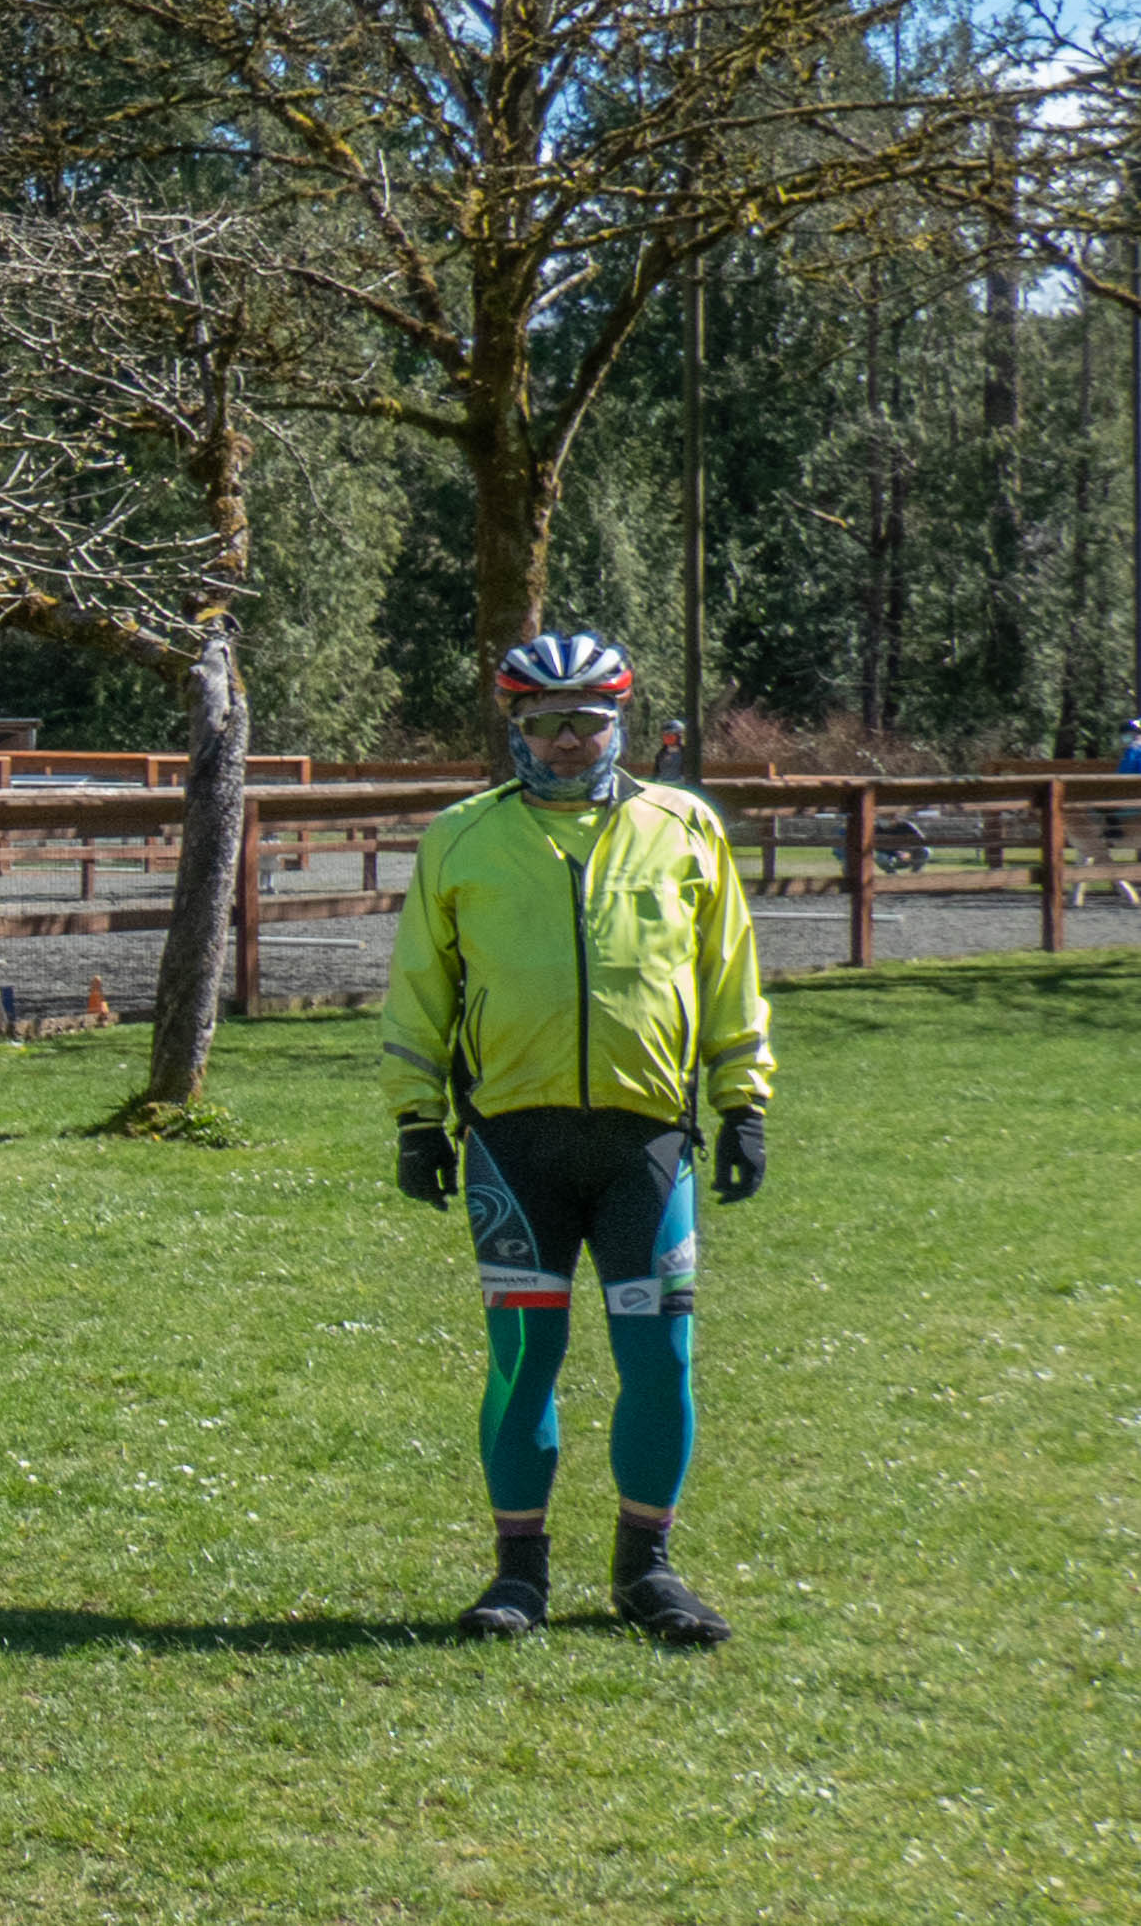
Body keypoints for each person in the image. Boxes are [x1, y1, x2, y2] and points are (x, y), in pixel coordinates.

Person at [384, 630, 773, 1648]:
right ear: (512, 726)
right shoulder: (461, 838)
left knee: (659, 1364)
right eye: (542, 722)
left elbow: (727, 972)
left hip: (645, 1148)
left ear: (619, 723)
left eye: (585, 721)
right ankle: (518, 1580)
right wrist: (413, 1120)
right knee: (523, 1362)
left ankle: (645, 1570)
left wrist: (744, 1103)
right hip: (515, 1149)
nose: (565, 740)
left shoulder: (682, 828)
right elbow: (420, 988)